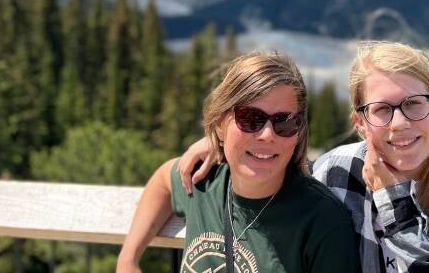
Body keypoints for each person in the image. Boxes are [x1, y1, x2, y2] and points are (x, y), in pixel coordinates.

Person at [177, 42, 429, 272]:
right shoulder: (337, 172)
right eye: (382, 110)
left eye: (414, 104)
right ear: (360, 123)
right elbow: (272, 165)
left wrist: (397, 208)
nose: (400, 123)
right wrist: (225, 141)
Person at [116, 52, 360, 273]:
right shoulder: (204, 182)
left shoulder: (322, 220)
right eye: (250, 119)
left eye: (284, 122)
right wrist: (127, 260)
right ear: (220, 123)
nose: (267, 134)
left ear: (298, 133)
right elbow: (163, 180)